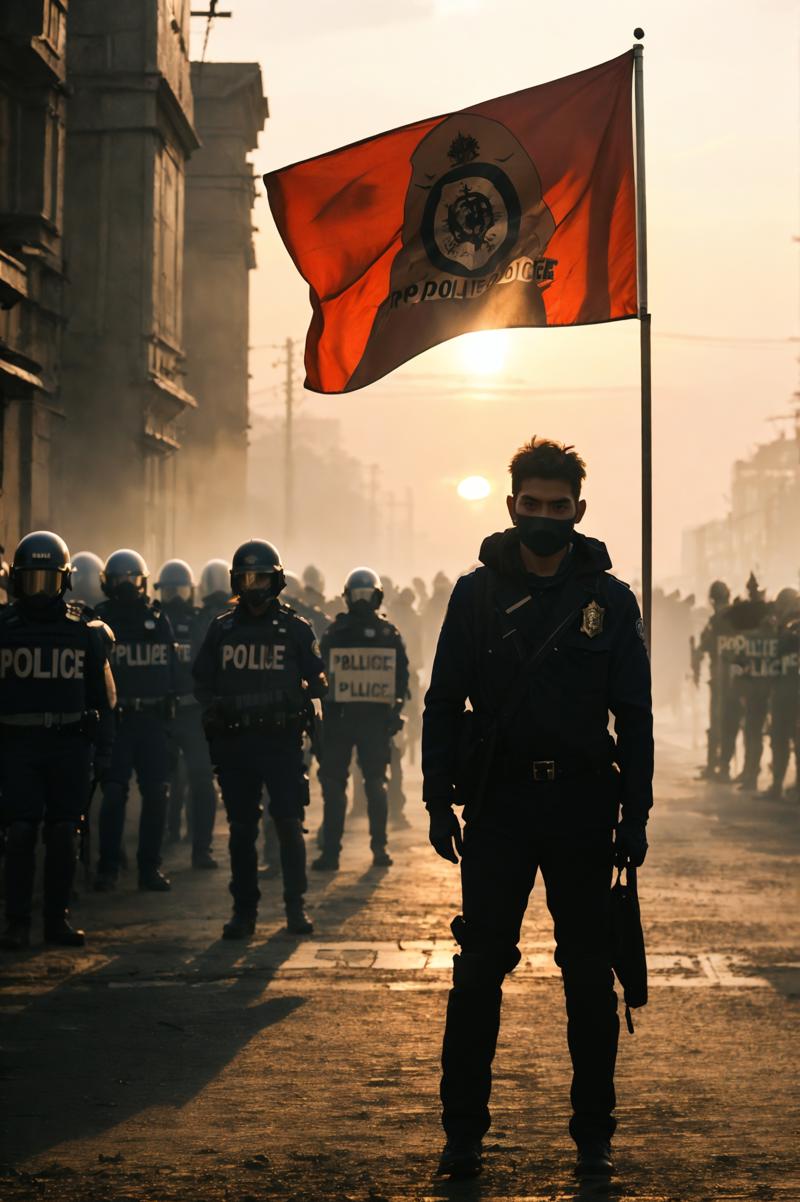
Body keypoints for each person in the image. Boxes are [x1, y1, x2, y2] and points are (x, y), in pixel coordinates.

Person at [422, 438, 653, 1180]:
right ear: (512, 503)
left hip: (585, 805)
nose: (546, 516)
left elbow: (636, 718)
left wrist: (636, 815)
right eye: (534, 504)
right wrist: (435, 796)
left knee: (589, 976)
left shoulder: (610, 603)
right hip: (500, 805)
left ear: (580, 511)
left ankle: (594, 1135)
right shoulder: (474, 594)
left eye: (560, 507)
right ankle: (463, 1135)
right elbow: (440, 704)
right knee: (478, 970)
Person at [193, 540, 327, 938]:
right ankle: (244, 912)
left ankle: (295, 909)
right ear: (236, 581)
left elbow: (319, 681)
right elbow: (202, 681)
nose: (254, 586)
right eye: (246, 578)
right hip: (238, 745)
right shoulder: (222, 630)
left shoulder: (295, 629)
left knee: (288, 825)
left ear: (277, 580)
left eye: (261, 577)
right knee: (241, 830)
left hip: (281, 743)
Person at [0, 531, 116, 949]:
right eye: (31, 580)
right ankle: (16, 922)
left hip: (69, 744)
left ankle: (56, 919)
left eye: (48, 581)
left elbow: (103, 698)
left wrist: (104, 749)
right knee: (19, 833)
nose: (38, 591)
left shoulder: (84, 630)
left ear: (63, 581)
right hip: (17, 745)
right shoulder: (4, 629)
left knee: (66, 832)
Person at [313, 568, 409, 871]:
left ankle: (333, 853)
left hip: (343, 720)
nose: (364, 601)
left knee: (337, 786)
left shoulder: (335, 632)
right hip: (371, 721)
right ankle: (377, 849)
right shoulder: (388, 633)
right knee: (373, 783)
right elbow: (401, 682)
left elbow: (320, 677)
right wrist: (393, 714)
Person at [93, 549, 178, 893]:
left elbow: (171, 671)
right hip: (117, 720)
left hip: (152, 720)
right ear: (107, 583)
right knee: (113, 794)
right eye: (120, 580)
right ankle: (108, 867)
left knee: (157, 793)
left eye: (132, 579)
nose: (127, 586)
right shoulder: (98, 621)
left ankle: (149, 868)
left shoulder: (158, 620)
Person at [155, 559, 218, 868]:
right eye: (170, 592)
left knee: (203, 783)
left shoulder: (201, 624)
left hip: (194, 715)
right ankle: (156, 848)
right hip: (163, 714)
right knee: (160, 784)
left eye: (180, 591)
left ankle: (201, 848)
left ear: (192, 592)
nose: (176, 598)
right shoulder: (152, 624)